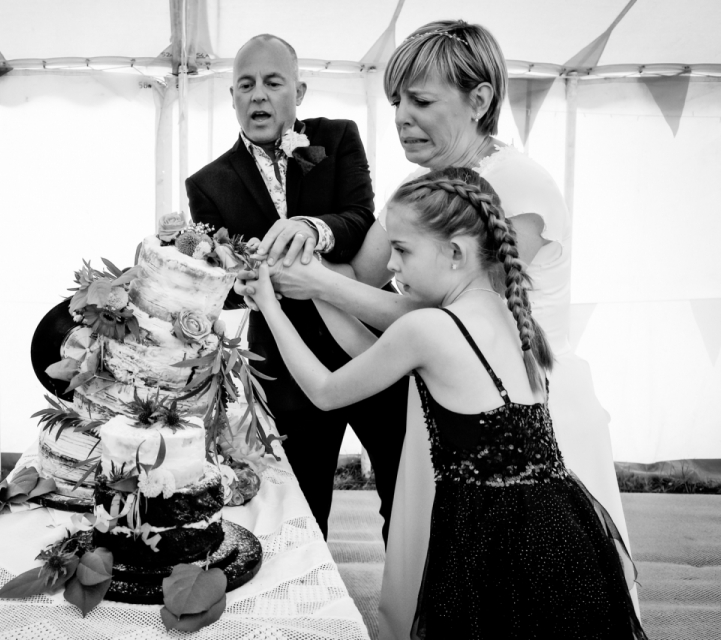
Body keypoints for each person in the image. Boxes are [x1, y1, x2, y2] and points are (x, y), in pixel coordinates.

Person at [262, 20, 638, 634]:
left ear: (481, 99)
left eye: (422, 100)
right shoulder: (420, 189)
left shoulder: (517, 183)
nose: (402, 117)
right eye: (395, 102)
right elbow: (364, 278)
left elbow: (445, 321)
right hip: (444, 421)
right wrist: (308, 241)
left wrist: (320, 285)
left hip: (533, 429)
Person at [185, 34, 406, 541]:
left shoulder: (340, 136)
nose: (258, 95)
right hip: (286, 367)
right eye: (245, 85)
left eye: (272, 82)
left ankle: (410, 599)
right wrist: (234, 278)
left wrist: (311, 228)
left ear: (298, 91)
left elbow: (360, 218)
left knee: (403, 491)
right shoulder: (207, 184)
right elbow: (226, 284)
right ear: (233, 98)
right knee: (301, 514)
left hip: (374, 343)